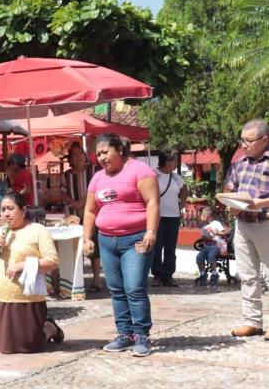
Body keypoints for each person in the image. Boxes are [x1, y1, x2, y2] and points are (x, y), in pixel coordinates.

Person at [83, 133, 159, 357]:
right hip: (107, 240)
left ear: (120, 150)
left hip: (135, 238)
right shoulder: (97, 178)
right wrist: (88, 238)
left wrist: (151, 232)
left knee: (134, 287)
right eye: (98, 154)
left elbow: (153, 202)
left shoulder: (140, 171)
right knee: (116, 289)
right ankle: (125, 334)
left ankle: (142, 335)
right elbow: (89, 210)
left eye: (106, 152)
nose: (102, 158)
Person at [0, 193, 64, 353]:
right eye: (3, 210)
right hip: (3, 296)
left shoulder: (38, 230)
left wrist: (24, 265)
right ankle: (46, 328)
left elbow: (52, 261)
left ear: (23, 210)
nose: (6, 213)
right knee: (6, 349)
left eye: (10, 208)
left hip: (29, 296)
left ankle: (50, 328)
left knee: (31, 346)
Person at [223, 118, 269, 339]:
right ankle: (252, 322)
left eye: (249, 141)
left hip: (266, 223)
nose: (244, 145)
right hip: (242, 225)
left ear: (264, 140)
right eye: (242, 140)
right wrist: (230, 203)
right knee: (248, 275)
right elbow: (230, 187)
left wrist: (257, 203)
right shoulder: (239, 163)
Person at [62, 142, 103, 292]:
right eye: (74, 154)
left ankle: (97, 279)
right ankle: (75, 280)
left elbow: (99, 189)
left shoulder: (94, 171)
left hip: (93, 212)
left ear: (85, 156)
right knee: (75, 247)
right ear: (70, 159)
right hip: (73, 214)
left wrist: (82, 202)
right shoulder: (66, 175)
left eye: (80, 153)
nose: (78, 157)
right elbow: (61, 191)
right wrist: (73, 203)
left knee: (94, 245)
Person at [151, 149, 188, 287]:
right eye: (174, 160)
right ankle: (157, 275)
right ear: (166, 161)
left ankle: (168, 275)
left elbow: (184, 189)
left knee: (170, 247)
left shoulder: (175, 177)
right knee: (156, 246)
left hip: (173, 216)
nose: (176, 163)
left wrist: (182, 204)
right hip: (157, 216)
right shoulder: (153, 174)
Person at [196, 206, 229, 287]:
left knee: (211, 256)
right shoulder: (204, 225)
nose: (200, 217)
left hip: (216, 245)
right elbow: (203, 236)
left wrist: (215, 233)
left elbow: (224, 233)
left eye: (202, 215)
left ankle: (214, 274)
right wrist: (204, 238)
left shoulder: (216, 223)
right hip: (206, 245)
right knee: (199, 258)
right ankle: (203, 274)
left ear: (208, 216)